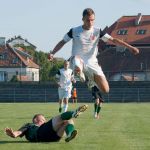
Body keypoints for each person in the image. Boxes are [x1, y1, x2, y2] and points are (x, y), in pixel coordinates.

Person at [49, 8, 139, 97]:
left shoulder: (97, 31)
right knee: (77, 61)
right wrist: (52, 53)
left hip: (92, 62)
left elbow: (113, 40)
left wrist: (130, 47)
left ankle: (91, 81)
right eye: (88, 20)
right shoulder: (74, 31)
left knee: (105, 89)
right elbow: (62, 42)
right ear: (83, 19)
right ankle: (80, 72)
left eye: (92, 20)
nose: (90, 23)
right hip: (76, 59)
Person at [5, 104, 88, 143]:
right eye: (42, 118)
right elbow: (18, 133)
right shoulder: (29, 125)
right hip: (40, 133)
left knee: (68, 121)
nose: (44, 120)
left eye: (44, 119)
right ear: (35, 119)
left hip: (54, 137)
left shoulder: (44, 124)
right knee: (59, 118)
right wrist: (12, 134)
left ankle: (69, 135)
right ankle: (74, 113)